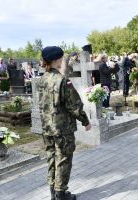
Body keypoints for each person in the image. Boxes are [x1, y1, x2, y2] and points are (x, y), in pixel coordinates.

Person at [38, 46, 91, 200]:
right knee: (63, 160)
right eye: (61, 58)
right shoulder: (62, 80)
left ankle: (53, 192)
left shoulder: (42, 79)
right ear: (56, 60)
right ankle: (61, 194)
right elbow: (73, 105)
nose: (62, 60)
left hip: (47, 127)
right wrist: (85, 121)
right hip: (62, 128)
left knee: (51, 158)